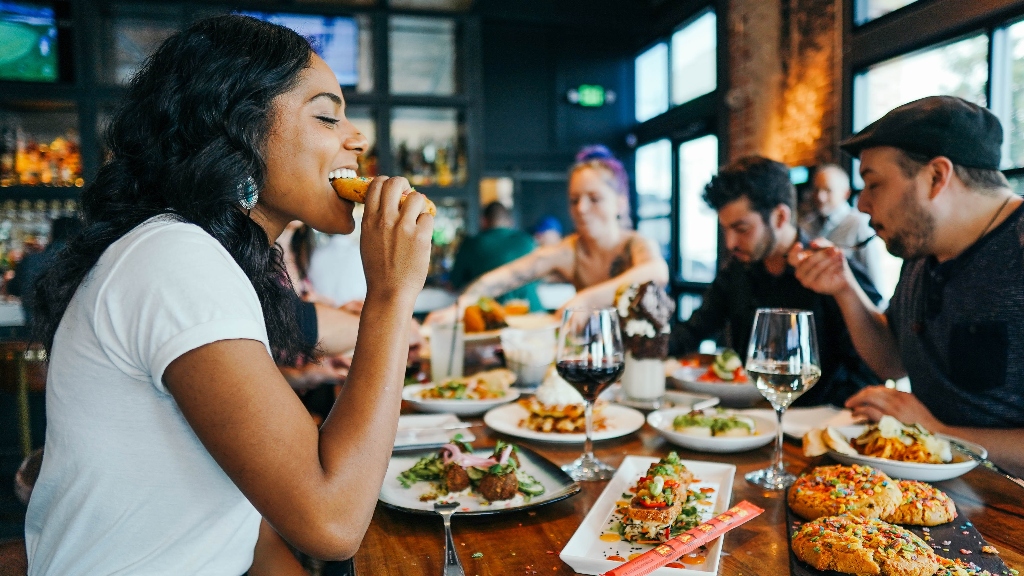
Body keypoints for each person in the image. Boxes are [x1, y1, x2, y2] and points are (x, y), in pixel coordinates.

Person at [24, 15, 432, 575]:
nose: (357, 138)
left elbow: (244, 526)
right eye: (327, 116)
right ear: (238, 131)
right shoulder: (174, 259)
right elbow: (333, 523)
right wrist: (391, 294)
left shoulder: (210, 258)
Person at [789, 95, 1024, 475]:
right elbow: (892, 360)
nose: (862, 204)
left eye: (874, 184)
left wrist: (935, 431)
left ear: (936, 177)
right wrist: (845, 288)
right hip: (932, 487)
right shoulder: (922, 252)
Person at [669, 156, 882, 407]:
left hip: (818, 421)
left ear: (780, 217)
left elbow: (872, 368)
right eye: (726, 229)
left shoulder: (831, 271)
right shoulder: (736, 272)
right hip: (750, 416)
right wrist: (646, 341)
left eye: (742, 229)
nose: (730, 243)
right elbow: (692, 331)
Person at [425, 145, 668, 322]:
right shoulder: (570, 251)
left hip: (644, 362)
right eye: (574, 200)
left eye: (594, 198)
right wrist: (461, 306)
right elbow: (507, 276)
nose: (581, 208)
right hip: (596, 359)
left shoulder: (636, 244)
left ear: (621, 203)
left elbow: (656, 272)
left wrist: (585, 300)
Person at [800, 164, 886, 293]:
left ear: (846, 193)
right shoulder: (806, 224)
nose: (820, 197)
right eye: (817, 190)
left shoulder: (858, 224)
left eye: (828, 190)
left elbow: (874, 279)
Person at [449, 201, 540, 310]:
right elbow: (539, 278)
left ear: (483, 221)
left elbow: (454, 284)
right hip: (533, 311)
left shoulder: (471, 244)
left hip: (491, 313)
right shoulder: (528, 241)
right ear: (510, 221)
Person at [6, 216, 81, 327]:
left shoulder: (30, 261)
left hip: (34, 331)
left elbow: (13, 289)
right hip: (73, 330)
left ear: (51, 235)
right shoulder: (84, 262)